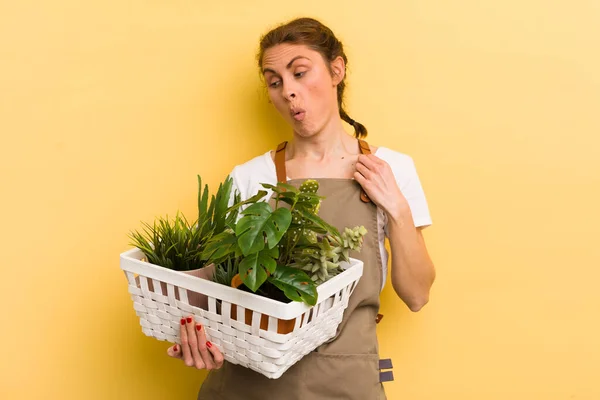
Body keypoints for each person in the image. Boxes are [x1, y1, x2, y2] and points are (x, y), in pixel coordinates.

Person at [166, 17, 436, 399]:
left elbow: (417, 295)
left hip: (345, 385)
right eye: (275, 82)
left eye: (300, 73)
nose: (288, 92)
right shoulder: (250, 176)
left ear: (336, 70)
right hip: (247, 386)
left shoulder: (391, 169)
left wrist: (397, 208)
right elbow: (214, 286)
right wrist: (194, 334)